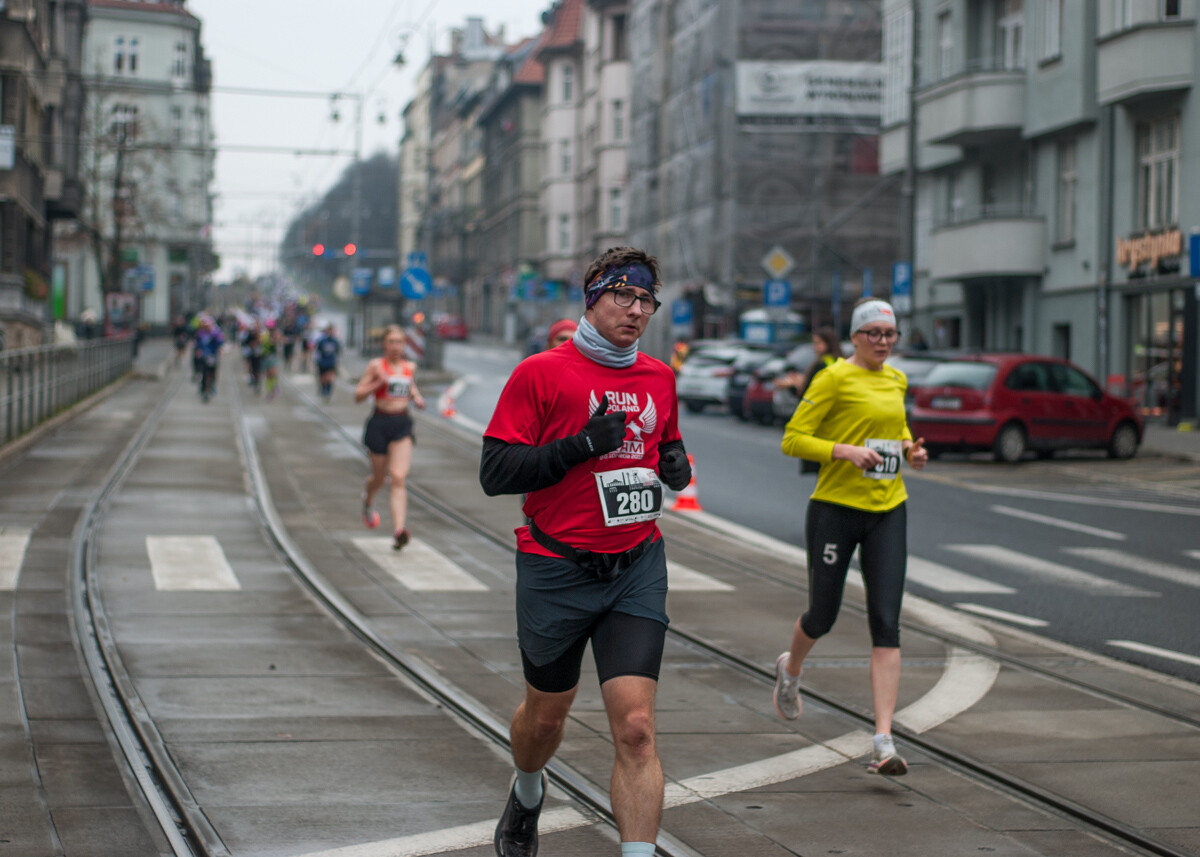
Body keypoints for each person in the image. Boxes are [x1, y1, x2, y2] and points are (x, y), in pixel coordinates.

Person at [480, 247, 693, 857]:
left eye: (646, 300)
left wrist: (676, 465)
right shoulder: (541, 373)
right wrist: (579, 445)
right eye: (621, 295)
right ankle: (526, 790)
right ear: (592, 297)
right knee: (544, 721)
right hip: (555, 568)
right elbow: (496, 473)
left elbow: (666, 447)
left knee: (637, 728)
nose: (635, 310)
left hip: (634, 566)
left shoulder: (659, 377)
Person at [773, 298, 928, 777]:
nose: (883, 342)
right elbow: (793, 438)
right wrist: (842, 451)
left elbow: (896, 428)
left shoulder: (896, 379)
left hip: (887, 508)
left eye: (889, 334)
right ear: (856, 336)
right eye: (874, 334)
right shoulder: (834, 377)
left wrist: (910, 450)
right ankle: (791, 670)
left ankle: (883, 739)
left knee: (887, 621)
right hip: (835, 510)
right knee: (823, 615)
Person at [354, 325, 426, 550]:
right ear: (384, 344)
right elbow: (358, 395)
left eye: (400, 342)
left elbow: (410, 387)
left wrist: (417, 398)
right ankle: (368, 500)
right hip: (379, 423)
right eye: (391, 342)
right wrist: (378, 383)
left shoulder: (409, 367)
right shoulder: (376, 366)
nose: (396, 347)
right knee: (379, 478)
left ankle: (398, 530)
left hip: (402, 424)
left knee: (398, 477)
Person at [193, 316, 224, 402]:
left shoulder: (216, 333)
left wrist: (219, 348)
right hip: (203, 357)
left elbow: (220, 343)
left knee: (212, 372)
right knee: (204, 373)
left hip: (212, 356)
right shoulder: (200, 333)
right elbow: (197, 344)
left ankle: (212, 386)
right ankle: (204, 389)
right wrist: (198, 350)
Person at [313, 323, 342, 401]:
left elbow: (338, 352)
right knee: (322, 377)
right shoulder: (322, 340)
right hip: (322, 362)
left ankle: (328, 391)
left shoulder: (335, 341)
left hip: (331, 362)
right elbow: (317, 351)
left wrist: (337, 362)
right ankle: (323, 389)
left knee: (329, 377)